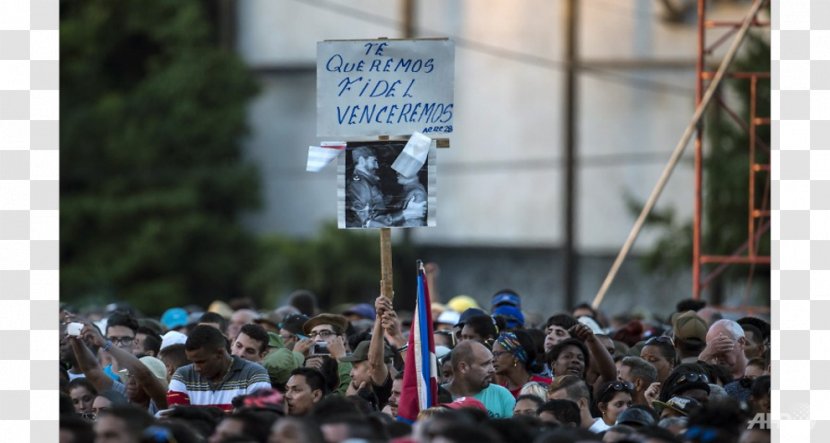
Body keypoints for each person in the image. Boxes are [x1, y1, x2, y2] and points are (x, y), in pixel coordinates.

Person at [167, 325, 271, 411]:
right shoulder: (182, 376)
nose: (195, 368)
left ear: (220, 353)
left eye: (201, 362)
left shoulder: (255, 374)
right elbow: (178, 421)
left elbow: (256, 420)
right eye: (192, 361)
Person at [346, 146, 425, 228]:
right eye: (374, 161)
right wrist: (405, 214)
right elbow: (367, 222)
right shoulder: (359, 184)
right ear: (362, 161)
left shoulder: (365, 180)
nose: (377, 166)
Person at [442, 340, 516, 418]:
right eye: (485, 364)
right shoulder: (437, 396)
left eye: (492, 362)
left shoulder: (501, 395)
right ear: (463, 367)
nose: (492, 369)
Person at [492, 331, 550, 398]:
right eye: (493, 354)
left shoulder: (545, 386)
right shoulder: (498, 393)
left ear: (516, 356)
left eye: (498, 354)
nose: (493, 360)